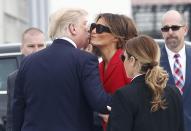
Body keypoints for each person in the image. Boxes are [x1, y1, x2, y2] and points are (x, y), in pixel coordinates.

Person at [12, 8, 111, 131]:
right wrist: (130, 98)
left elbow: (18, 109)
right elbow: (100, 103)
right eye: (85, 25)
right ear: (72, 28)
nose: (89, 31)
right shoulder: (85, 60)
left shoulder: (28, 62)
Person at [107, 35, 184, 131]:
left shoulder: (124, 95)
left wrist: (116, 114)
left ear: (132, 60)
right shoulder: (175, 92)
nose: (123, 62)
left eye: (123, 57)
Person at [89, 13, 138, 131]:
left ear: (116, 37)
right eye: (93, 26)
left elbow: (141, 104)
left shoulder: (127, 63)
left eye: (100, 28)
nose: (93, 31)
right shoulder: (98, 66)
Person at [6, 27, 46, 131]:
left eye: (40, 45)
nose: (36, 50)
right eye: (31, 46)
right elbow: (12, 117)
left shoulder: (59, 73)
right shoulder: (13, 78)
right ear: (22, 48)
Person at [160, 10, 191, 131]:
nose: (170, 32)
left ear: (185, 30)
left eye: (175, 27)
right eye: (165, 29)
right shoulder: (152, 63)